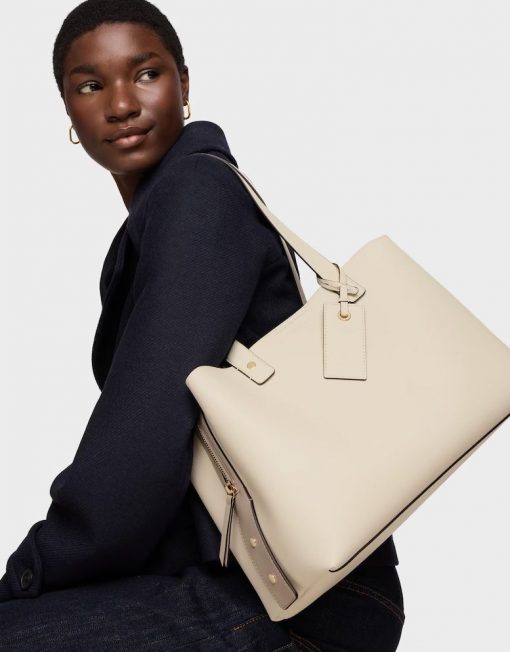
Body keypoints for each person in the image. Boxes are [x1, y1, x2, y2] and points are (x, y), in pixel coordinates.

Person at [0, 1, 405, 650]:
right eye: (91, 85)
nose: (121, 104)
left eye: (146, 74)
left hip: (297, 595)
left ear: (184, 84)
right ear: (68, 112)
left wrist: (30, 572)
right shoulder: (166, 212)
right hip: (247, 578)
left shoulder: (198, 196)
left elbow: (145, 434)